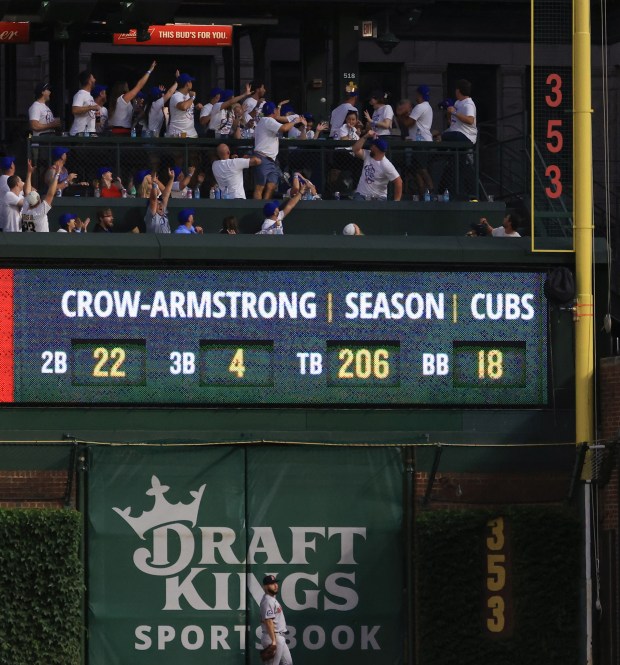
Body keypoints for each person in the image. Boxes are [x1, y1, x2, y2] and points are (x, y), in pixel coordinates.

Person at [253, 101, 307, 200]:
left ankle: (265, 207)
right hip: (262, 157)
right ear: (274, 111)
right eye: (277, 109)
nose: (278, 112)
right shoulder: (267, 120)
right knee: (260, 187)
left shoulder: (266, 121)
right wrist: (295, 121)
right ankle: (258, 208)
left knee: (271, 186)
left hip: (271, 160)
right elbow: (284, 128)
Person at [107, 61, 157, 135]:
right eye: (126, 86)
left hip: (115, 131)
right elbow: (139, 86)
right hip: (121, 132)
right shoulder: (122, 98)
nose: (128, 88)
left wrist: (137, 106)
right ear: (123, 88)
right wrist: (149, 71)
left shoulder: (116, 100)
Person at [351, 132, 402, 201]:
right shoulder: (368, 155)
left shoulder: (386, 165)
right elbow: (355, 149)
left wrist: (397, 201)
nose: (370, 147)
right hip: (361, 195)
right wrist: (365, 136)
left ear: (376, 148)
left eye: (372, 146)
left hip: (378, 198)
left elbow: (398, 181)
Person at [259, 575, 292, 665]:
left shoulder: (271, 599)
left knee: (287, 663)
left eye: (275, 583)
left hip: (278, 637)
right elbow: (268, 621)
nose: (275, 585)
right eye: (271, 584)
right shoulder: (267, 600)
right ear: (265, 587)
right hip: (273, 637)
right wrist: (273, 641)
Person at [21, 163, 60, 232]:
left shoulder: (25, 210)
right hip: (42, 241)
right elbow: (50, 194)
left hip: (29, 240)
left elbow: (27, 191)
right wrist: (57, 175)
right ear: (39, 200)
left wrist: (29, 173)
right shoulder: (39, 212)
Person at [442, 79, 477, 145]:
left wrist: (454, 112)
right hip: (455, 131)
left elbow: (470, 120)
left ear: (458, 90)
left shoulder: (468, 104)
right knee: (441, 136)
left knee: (444, 136)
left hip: (466, 135)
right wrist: (449, 112)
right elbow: (450, 121)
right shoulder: (457, 102)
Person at [2, 160, 33, 232]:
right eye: (21, 181)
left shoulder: (20, 197)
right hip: (9, 233)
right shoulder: (8, 195)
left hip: (18, 233)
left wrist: (29, 173)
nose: (23, 183)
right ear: (17, 184)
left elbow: (27, 197)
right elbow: (26, 202)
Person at [166, 73, 200, 138]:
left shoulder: (188, 95)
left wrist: (196, 107)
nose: (191, 83)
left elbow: (188, 110)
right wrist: (193, 97)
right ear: (187, 83)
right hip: (178, 135)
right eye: (190, 81)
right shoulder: (176, 96)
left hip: (191, 134)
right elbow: (183, 107)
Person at [145, 73, 179, 137]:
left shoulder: (150, 105)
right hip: (152, 137)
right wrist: (178, 80)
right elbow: (169, 92)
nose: (163, 95)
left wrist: (160, 93)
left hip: (151, 136)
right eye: (161, 95)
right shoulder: (156, 105)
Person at [69, 70, 100, 136]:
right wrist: (91, 107)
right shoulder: (80, 94)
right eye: (93, 78)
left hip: (90, 133)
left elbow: (97, 122)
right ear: (89, 80)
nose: (95, 80)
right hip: (79, 134)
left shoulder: (90, 97)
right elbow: (75, 110)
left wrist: (98, 116)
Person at [145, 168, 175, 233]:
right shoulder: (152, 216)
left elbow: (166, 195)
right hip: (154, 241)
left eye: (160, 203)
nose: (161, 205)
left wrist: (171, 179)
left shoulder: (162, 213)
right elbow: (153, 200)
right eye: (158, 204)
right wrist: (154, 184)